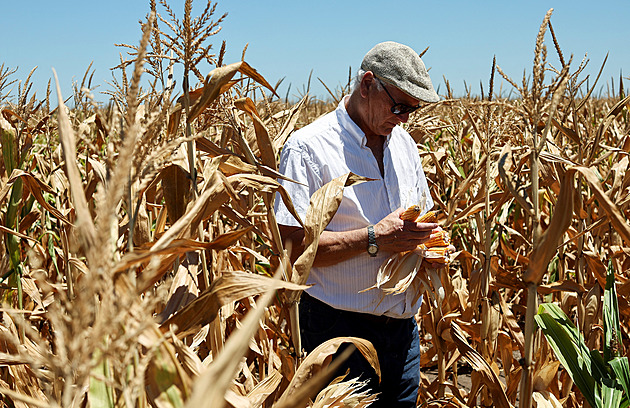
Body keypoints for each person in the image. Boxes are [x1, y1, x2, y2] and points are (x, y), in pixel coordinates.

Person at [274, 41, 441, 407]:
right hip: (338, 334)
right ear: (367, 85)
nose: (403, 119)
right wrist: (374, 238)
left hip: (402, 336)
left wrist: (428, 247)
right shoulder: (308, 149)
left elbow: (422, 218)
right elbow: (292, 251)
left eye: (412, 111)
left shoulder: (404, 146)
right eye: (398, 106)